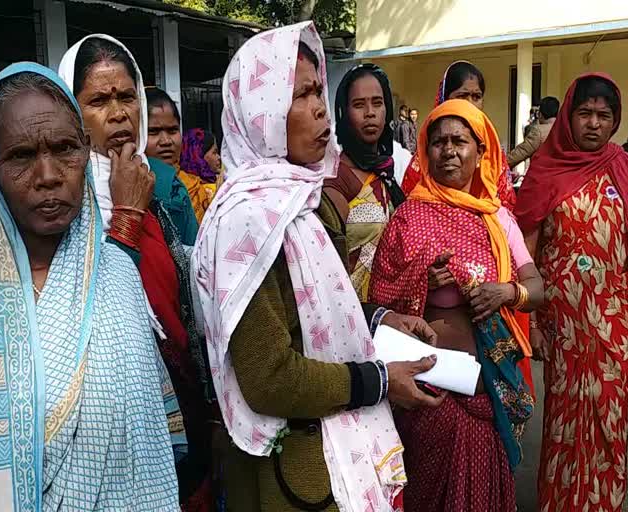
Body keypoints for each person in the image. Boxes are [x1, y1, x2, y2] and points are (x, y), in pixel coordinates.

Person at [191, 22, 446, 512]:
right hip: (292, 473)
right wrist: (377, 381)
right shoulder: (248, 223)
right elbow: (270, 379)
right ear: (260, 113)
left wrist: (381, 318)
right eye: (300, 95)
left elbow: (320, 308)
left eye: (317, 91)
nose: (319, 108)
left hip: (325, 450)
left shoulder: (303, 200)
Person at [0, 63, 182, 511]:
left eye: (65, 148)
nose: (49, 174)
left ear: (85, 153)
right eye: (21, 156)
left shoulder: (116, 275)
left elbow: (151, 436)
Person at [58, 35, 212, 510]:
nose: (119, 113)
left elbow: (185, 296)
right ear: (72, 113)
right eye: (99, 101)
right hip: (108, 426)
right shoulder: (62, 204)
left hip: (182, 404)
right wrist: (125, 211)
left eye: (127, 97)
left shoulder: (159, 188)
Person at [370, 99, 542, 512]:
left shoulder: (497, 217)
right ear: (425, 152)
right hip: (429, 390)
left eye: (460, 141)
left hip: (488, 386)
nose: (449, 151)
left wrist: (506, 292)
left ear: (481, 152)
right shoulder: (409, 216)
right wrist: (420, 282)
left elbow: (538, 288)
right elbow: (376, 301)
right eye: (438, 142)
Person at [515, 73, 628, 512]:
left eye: (604, 115)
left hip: (615, 327)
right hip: (563, 329)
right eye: (585, 113)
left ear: (615, 120)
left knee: (609, 423)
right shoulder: (545, 169)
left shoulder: (625, 169)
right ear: (568, 116)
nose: (594, 124)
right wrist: (532, 326)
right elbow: (526, 255)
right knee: (566, 423)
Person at [324, 63, 406, 301]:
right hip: (354, 317)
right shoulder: (336, 180)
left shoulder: (387, 173)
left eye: (377, 103)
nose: (370, 112)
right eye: (359, 105)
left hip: (392, 316)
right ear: (344, 113)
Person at [401, 61, 517, 211]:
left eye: (476, 97)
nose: (469, 104)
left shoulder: (492, 155)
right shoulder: (426, 161)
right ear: (445, 98)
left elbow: (505, 207)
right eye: (462, 96)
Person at [144, 87, 224, 223]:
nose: (166, 141)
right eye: (153, 131)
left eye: (173, 130)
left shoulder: (195, 188)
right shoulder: (129, 189)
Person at [506, 96, 559, 170]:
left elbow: (521, 152)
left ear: (540, 114)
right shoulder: (563, 129)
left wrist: (501, 163)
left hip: (543, 175)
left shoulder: (538, 131)